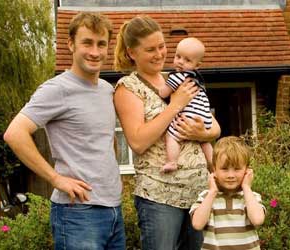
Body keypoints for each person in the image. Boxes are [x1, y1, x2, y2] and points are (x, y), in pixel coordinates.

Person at [3, 12, 125, 250]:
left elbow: (106, 141)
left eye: (101, 44)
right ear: (71, 45)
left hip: (113, 209)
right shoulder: (57, 89)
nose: (95, 51)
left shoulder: (106, 90)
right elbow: (14, 133)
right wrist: (56, 179)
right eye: (87, 43)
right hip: (77, 214)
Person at [113, 16, 221, 250]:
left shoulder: (179, 79)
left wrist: (201, 134)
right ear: (132, 53)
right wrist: (175, 105)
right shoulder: (128, 88)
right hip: (160, 198)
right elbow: (138, 142)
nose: (160, 54)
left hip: (198, 194)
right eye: (150, 49)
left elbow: (215, 127)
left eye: (162, 46)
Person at [190, 136, 266, 250]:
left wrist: (246, 187)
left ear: (247, 170)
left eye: (237, 169)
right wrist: (212, 192)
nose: (231, 175)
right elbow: (197, 224)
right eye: (224, 169)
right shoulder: (206, 197)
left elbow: (257, 220)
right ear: (214, 169)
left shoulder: (251, 197)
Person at [160, 37, 213, 173]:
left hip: (189, 116)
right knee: (204, 142)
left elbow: (163, 93)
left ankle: (172, 161)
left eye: (187, 60)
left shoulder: (179, 76)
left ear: (197, 65)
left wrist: (162, 88)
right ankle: (213, 165)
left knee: (171, 136)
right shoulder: (197, 79)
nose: (180, 62)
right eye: (178, 56)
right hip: (205, 119)